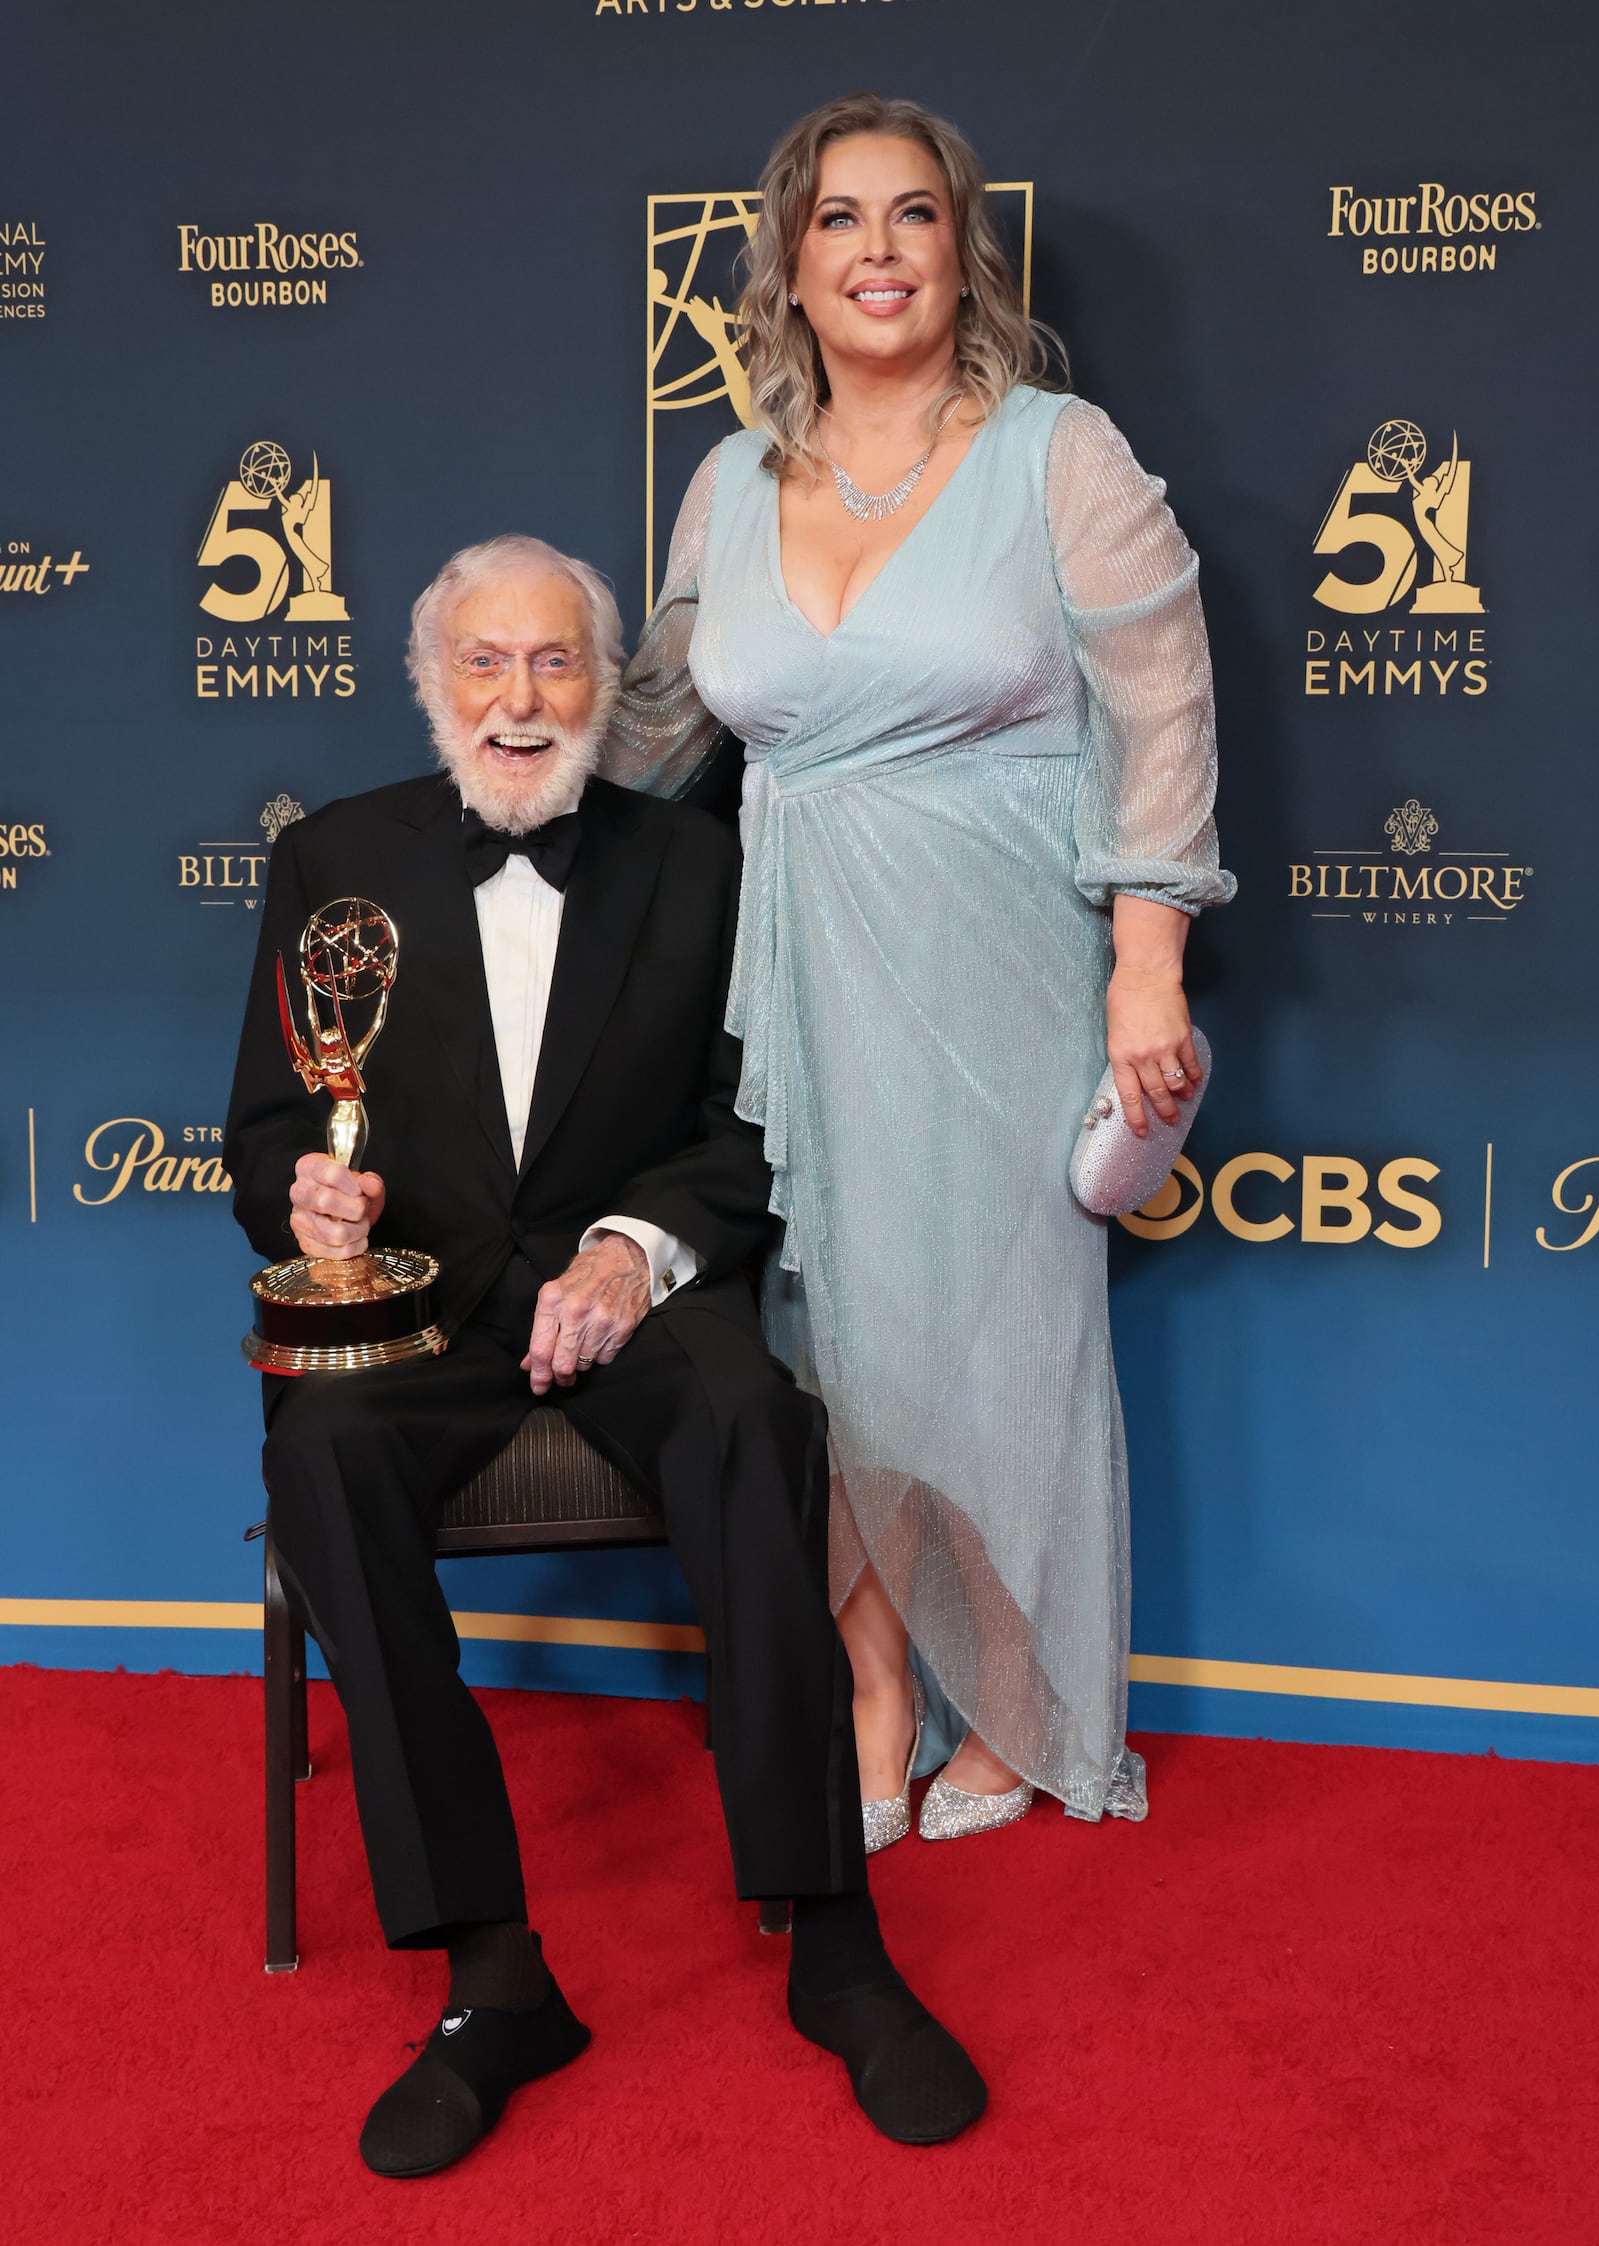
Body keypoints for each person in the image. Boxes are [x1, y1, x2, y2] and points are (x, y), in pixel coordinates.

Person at [223, 533, 986, 2177]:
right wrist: (309, 1199)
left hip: (624, 1295)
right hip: (422, 1307)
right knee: (319, 1450)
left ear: (604, 687)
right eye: (484, 662)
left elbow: (749, 1126)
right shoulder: (332, 858)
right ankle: (493, 1972)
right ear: (431, 683)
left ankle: (835, 1938)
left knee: (758, 1422)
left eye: (555, 660)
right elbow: (273, 1123)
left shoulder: (698, 863)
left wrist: (635, 1252)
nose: (519, 697)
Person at [605, 94, 1234, 1852]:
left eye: (912, 216)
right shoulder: (729, 482)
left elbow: (1163, 717)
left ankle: (1017, 1694)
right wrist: (489, 758)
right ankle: (876, 1691)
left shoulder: (1059, 455)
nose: (876, 250)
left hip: (1003, 960)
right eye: (839, 219)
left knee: (997, 1339)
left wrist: (1147, 966)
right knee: (824, 1345)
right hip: (797, 971)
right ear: (790, 266)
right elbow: (653, 730)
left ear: (964, 254)